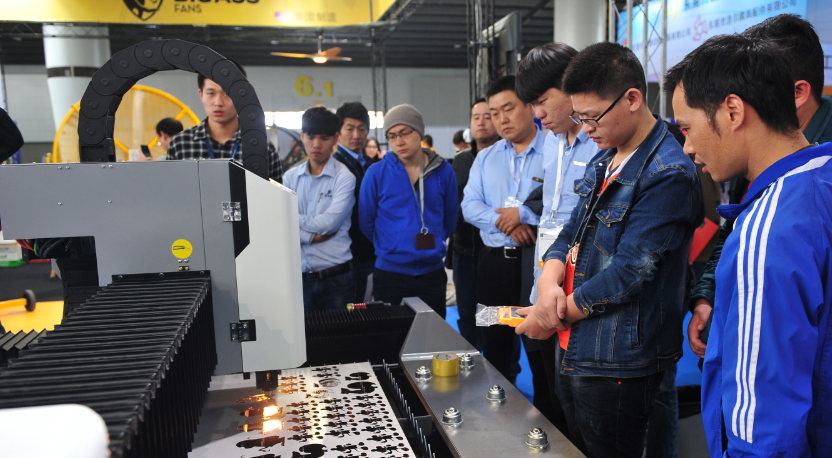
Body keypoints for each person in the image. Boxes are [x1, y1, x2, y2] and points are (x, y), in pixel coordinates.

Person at [523, 42, 701, 458]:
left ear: (633, 99)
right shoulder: (606, 159)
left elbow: (629, 273)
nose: (586, 129)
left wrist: (554, 313)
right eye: (579, 117)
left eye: (591, 117)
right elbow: (570, 230)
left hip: (618, 357)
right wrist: (548, 280)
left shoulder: (667, 172)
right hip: (577, 343)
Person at [666, 33, 832, 458]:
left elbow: (763, 418)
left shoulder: (771, 225)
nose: (688, 147)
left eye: (688, 128)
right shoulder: (821, 177)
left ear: (733, 111)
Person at [688, 14, 832, 365]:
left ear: (797, 92)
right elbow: (734, 222)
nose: (689, 148)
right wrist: (708, 293)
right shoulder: (755, 153)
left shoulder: (810, 182)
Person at [514, 41, 598, 436]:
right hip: (547, 268)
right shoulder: (551, 139)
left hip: (584, 281)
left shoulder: (599, 139)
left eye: (543, 100)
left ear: (571, 86)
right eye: (531, 104)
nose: (538, 114)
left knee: (584, 396)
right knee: (553, 384)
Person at [461, 75, 547, 383]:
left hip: (536, 265)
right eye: (494, 113)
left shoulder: (554, 150)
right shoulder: (486, 158)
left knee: (540, 349)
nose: (501, 119)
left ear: (529, 106)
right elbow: (469, 207)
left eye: (508, 109)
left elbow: (564, 202)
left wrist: (524, 214)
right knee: (493, 342)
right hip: (493, 265)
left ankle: (546, 408)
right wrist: (508, 223)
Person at [359, 104, 458, 317]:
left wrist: (435, 239)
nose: (399, 141)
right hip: (390, 273)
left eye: (405, 133)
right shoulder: (376, 173)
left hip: (432, 273)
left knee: (432, 333)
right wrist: (392, 243)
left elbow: (450, 218)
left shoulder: (444, 171)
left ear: (419, 131)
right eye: (392, 136)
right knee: (392, 334)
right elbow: (366, 221)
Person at [283, 107, 356, 312]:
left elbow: (329, 223)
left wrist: (294, 218)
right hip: (300, 279)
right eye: (310, 137)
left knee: (342, 332)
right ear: (302, 137)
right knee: (304, 334)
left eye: (324, 138)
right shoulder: (290, 177)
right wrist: (311, 237)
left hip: (338, 277)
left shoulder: (344, 177)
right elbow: (281, 225)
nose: (316, 144)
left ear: (335, 139)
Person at [166, 60, 282, 182]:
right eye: (211, 93)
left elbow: (275, 193)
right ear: (201, 95)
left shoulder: (262, 147)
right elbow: (171, 190)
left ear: (242, 95)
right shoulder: (180, 144)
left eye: (227, 93)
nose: (218, 102)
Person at [451, 98, 500, 349]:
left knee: (494, 320)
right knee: (467, 314)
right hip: (464, 252)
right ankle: (470, 362)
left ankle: (501, 367)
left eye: (487, 116)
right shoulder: (460, 161)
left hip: (495, 253)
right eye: (475, 117)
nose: (481, 121)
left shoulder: (508, 159)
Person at [334, 102, 376, 303]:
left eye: (362, 129)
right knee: (350, 313)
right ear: (339, 132)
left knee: (369, 310)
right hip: (346, 257)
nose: (356, 135)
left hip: (372, 253)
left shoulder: (372, 166)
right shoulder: (333, 167)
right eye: (349, 129)